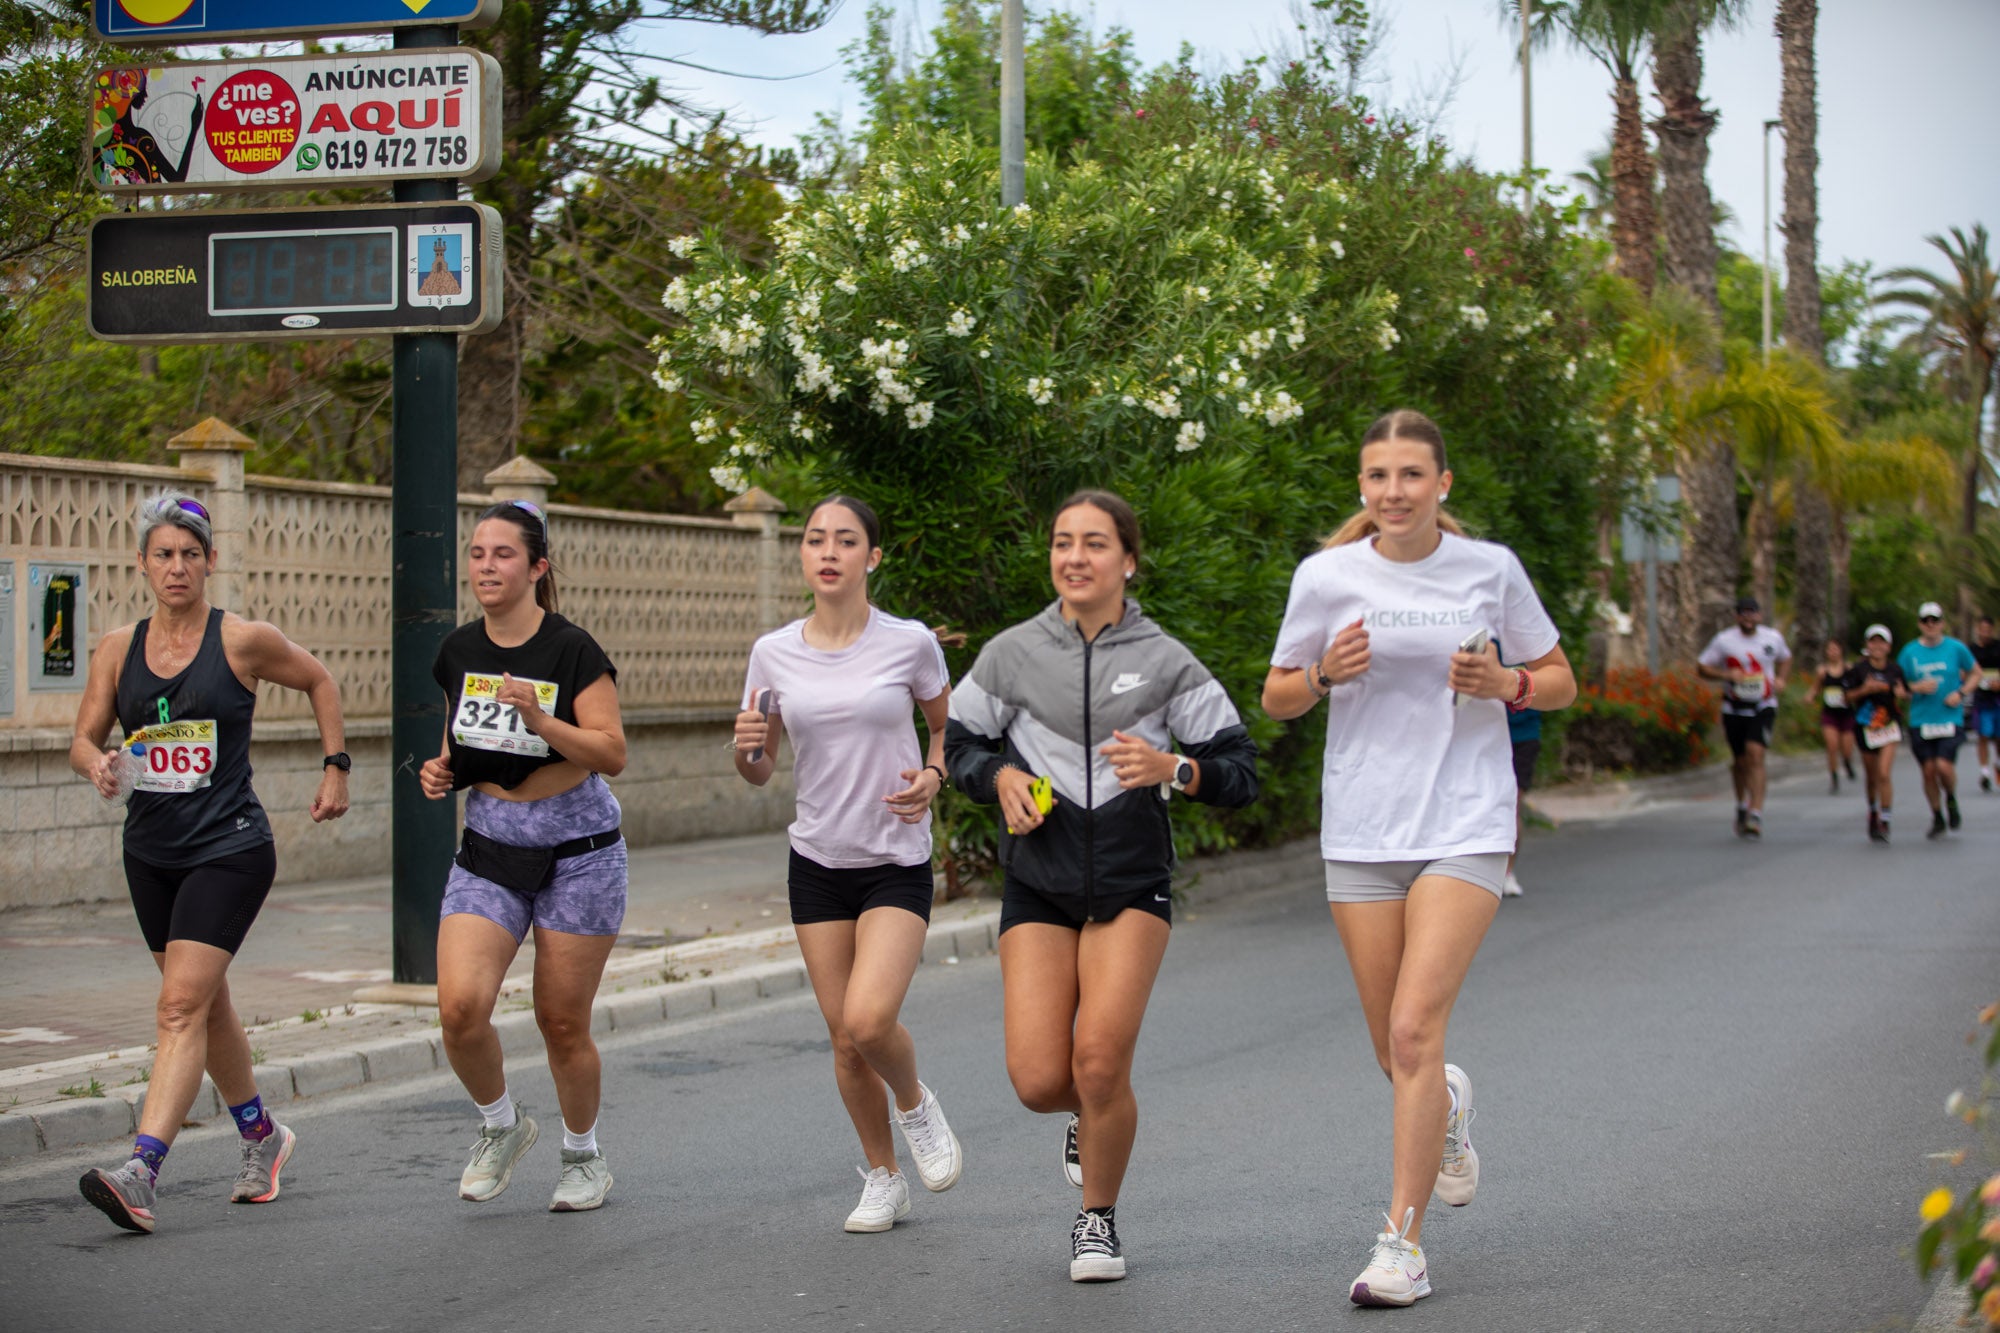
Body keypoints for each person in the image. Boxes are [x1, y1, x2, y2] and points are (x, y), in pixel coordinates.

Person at [1261, 410, 1576, 1308]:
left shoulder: (1491, 569)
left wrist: (1507, 683)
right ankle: (1449, 1106)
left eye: (1410, 474)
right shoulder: (1327, 576)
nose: (1392, 491)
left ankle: (1400, 1245)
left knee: (1411, 1031)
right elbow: (1278, 695)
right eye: (1377, 476)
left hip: (1465, 820)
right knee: (1392, 1053)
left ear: (1443, 483)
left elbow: (1559, 677)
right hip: (1362, 829)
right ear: (1361, 488)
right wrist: (1324, 674)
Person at [945, 489, 1259, 1283]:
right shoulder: (1011, 653)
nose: (1074, 557)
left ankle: (1097, 1221)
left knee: (1097, 1062)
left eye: (1093, 543)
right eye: (1062, 542)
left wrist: (1172, 769)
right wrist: (1001, 774)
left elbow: (1238, 770)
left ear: (1128, 559)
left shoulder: (1166, 659)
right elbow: (957, 745)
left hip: (1129, 881)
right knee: (1039, 1079)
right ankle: (1087, 1116)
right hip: (1040, 883)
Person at [70, 493, 350, 1234]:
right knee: (205, 1000)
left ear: (209, 562)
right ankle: (261, 1134)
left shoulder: (242, 640)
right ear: (143, 563)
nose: (177, 567)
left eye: (191, 554)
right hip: (150, 850)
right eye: (164, 554)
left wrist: (336, 765)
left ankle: (141, 1170)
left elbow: (320, 678)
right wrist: (95, 763)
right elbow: (82, 738)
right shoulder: (114, 647)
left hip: (229, 845)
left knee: (178, 1006)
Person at [731, 495, 963, 1234]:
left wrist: (933, 776)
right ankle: (883, 1175)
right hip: (818, 858)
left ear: (873, 556)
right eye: (814, 539)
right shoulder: (772, 652)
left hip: (894, 856)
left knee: (868, 1019)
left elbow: (946, 728)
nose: (827, 551)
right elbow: (762, 768)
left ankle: (916, 1102)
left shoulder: (909, 642)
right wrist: (746, 751)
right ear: (802, 555)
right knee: (842, 1037)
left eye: (846, 539)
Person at [421, 500, 627, 1212]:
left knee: (561, 1020)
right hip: (491, 848)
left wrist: (542, 719)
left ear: (537, 567)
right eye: (477, 553)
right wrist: (441, 769)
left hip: (580, 852)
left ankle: (583, 1156)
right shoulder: (457, 651)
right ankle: (501, 1125)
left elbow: (611, 752)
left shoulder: (572, 649)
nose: (486, 566)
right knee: (460, 1009)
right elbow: (463, 743)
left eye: (503, 554)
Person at [1696, 596, 1791, 839]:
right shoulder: (1724, 641)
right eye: (1743, 613)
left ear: (1759, 615)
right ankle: (1741, 805)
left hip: (1763, 705)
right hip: (1734, 708)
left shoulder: (1772, 638)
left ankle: (1756, 812)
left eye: (1752, 613)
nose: (1748, 617)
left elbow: (1785, 657)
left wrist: (1781, 679)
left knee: (1755, 754)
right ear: (1737, 616)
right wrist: (1727, 674)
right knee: (1740, 762)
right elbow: (1702, 667)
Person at [1895, 601, 1980, 840]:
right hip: (1921, 721)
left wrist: (1961, 693)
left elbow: (1976, 673)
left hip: (1949, 718)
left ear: (1942, 623)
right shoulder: (1909, 652)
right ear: (1919, 624)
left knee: (1943, 766)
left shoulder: (1956, 648)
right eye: (1926, 621)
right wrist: (1916, 687)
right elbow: (1898, 687)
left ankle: (1950, 798)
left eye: (1935, 620)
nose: (1930, 625)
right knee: (1928, 771)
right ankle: (1937, 815)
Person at [1845, 625, 1907, 844]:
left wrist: (1902, 694)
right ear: (1867, 645)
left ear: (1888, 647)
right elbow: (1847, 697)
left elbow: (1904, 694)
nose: (1877, 646)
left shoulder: (1896, 670)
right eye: (1873, 642)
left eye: (1881, 642)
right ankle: (1872, 811)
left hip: (1889, 726)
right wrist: (1865, 690)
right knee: (1872, 777)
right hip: (1865, 726)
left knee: (1883, 774)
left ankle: (1885, 820)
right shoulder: (1858, 670)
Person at [1498, 638, 1539, 898]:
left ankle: (1507, 872)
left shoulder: (1529, 638)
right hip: (1477, 734)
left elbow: (1557, 682)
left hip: (1521, 734)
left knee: (1513, 803)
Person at [1817, 639, 1859, 795]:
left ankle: (1847, 763)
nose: (1833, 652)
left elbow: (1856, 689)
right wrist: (1808, 697)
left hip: (1847, 714)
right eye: (1830, 649)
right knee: (1832, 746)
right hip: (1830, 714)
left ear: (1841, 651)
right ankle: (1834, 777)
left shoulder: (1849, 669)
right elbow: (1816, 689)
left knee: (1847, 749)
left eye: (1836, 649)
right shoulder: (1822, 671)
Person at [1969, 615, 1999, 794]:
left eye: (1988, 629)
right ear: (1977, 630)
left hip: (1998, 699)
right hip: (1981, 700)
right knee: (1983, 735)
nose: (1985, 633)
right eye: (1982, 629)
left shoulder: (1998, 647)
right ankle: (1984, 772)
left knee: (1998, 737)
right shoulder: (1971, 650)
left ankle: (1998, 764)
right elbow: (1965, 671)